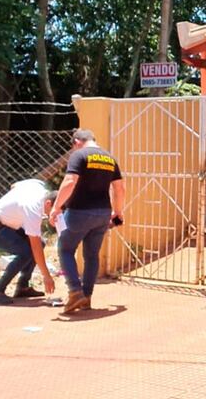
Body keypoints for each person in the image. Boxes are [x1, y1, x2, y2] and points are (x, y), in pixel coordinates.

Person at [49, 129, 124, 314]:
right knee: (91, 256)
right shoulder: (109, 158)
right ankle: (86, 297)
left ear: (77, 142)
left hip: (79, 212)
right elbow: (119, 188)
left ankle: (75, 291)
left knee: (65, 249)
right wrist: (118, 212)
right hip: (103, 214)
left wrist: (56, 207)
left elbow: (69, 181)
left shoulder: (80, 155)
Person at [0, 180, 57, 304]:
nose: (57, 214)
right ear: (48, 203)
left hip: (8, 223)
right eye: (56, 210)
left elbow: (14, 185)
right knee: (26, 252)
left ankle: (22, 287)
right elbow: (35, 246)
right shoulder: (33, 210)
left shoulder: (38, 185)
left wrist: (12, 208)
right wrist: (46, 276)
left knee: (39, 244)